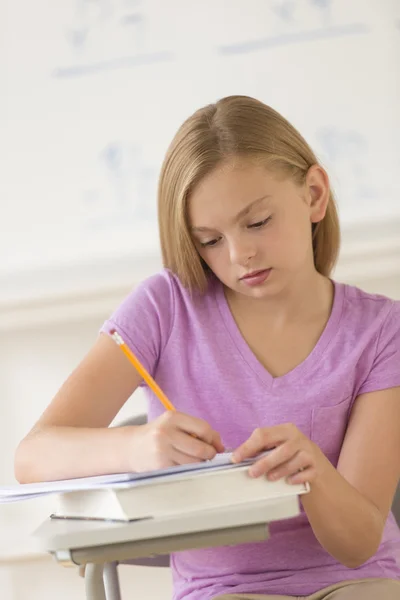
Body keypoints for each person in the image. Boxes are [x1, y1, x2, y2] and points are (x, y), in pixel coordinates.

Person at [15, 95, 400, 600]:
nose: (241, 254)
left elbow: (356, 545)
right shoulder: (165, 308)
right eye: (209, 240)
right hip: (225, 589)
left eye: (258, 222)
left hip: (359, 581)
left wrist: (315, 474)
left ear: (314, 195)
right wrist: (137, 446)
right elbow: (33, 455)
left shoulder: (382, 330)